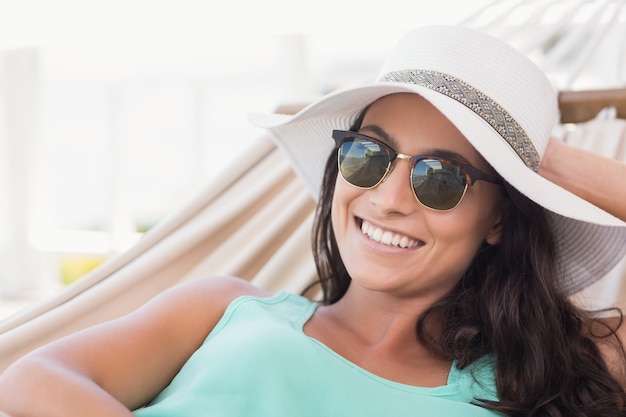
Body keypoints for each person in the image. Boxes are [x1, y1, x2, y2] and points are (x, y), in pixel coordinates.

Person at [1, 25, 626, 417]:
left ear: (498, 219)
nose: (387, 198)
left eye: (441, 176)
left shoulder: (546, 381)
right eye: (369, 155)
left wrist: (537, 157)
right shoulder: (222, 308)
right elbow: (29, 384)